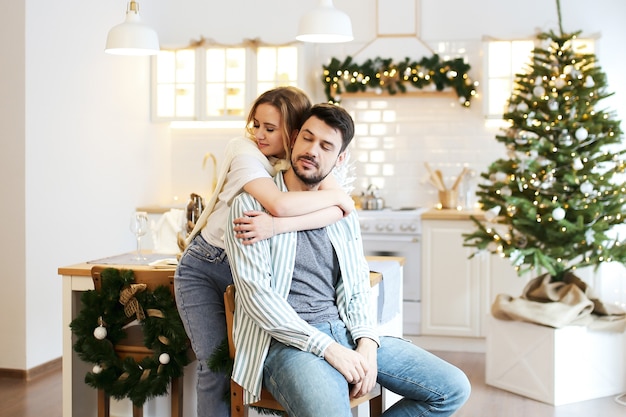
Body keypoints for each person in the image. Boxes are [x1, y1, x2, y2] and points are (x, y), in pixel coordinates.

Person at [224, 103, 471, 417]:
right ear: (294, 138)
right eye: (308, 139)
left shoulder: (340, 213)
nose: (312, 151)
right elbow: (258, 298)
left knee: (452, 388)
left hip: (344, 331)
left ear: (339, 159)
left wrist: (367, 342)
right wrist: (327, 349)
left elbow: (355, 286)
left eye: (326, 146)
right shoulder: (251, 205)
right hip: (284, 343)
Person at [175, 87, 354, 417]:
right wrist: (338, 199)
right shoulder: (244, 152)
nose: (258, 134)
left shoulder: (297, 160)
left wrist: (340, 202)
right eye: (255, 124)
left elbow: (339, 211)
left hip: (246, 266)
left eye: (269, 129)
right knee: (215, 366)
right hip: (205, 267)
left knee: (251, 360)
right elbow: (280, 205)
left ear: (292, 132)